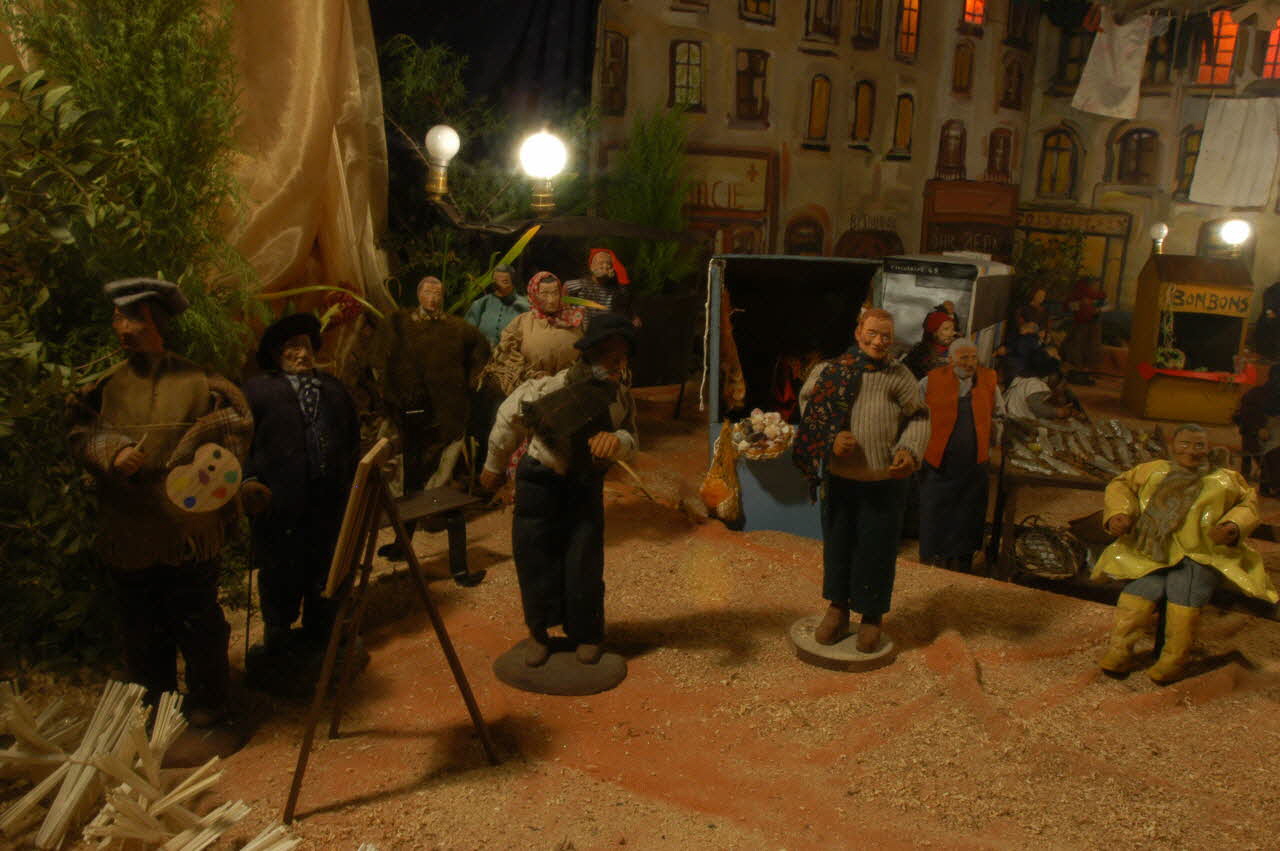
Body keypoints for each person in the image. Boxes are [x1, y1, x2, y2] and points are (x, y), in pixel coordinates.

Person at [68, 279, 253, 728]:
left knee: (199, 622)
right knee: (141, 628)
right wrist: (112, 451)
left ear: (156, 323)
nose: (122, 328)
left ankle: (210, 707)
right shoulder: (102, 387)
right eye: (117, 318)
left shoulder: (200, 382)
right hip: (130, 529)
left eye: (132, 319)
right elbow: (80, 430)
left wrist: (201, 453)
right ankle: (156, 711)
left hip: (189, 530)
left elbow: (235, 427)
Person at [480, 313, 639, 667]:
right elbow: (509, 417)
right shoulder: (552, 387)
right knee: (534, 556)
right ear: (591, 354)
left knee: (584, 559)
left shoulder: (619, 399)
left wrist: (617, 442)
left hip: (584, 484)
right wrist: (493, 464)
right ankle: (538, 632)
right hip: (540, 480)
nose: (618, 365)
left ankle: (587, 632)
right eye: (610, 357)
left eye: (623, 358)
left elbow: (631, 435)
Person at [1094, 424, 1277, 683]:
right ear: (1173, 445)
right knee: (1139, 593)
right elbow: (1120, 485)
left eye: (1198, 445)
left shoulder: (1224, 479)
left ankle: (1172, 661)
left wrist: (1233, 525)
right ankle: (1119, 652)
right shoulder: (1153, 471)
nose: (1191, 451)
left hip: (1201, 553)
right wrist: (1119, 513)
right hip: (1152, 552)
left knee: (1185, 594)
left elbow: (1247, 503)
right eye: (1184, 444)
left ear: (1208, 448)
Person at [794, 308, 930, 652]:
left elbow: (919, 417)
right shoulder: (830, 371)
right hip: (840, 480)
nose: (879, 341)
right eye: (872, 333)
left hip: (884, 482)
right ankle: (838, 609)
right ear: (858, 333)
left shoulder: (899, 376)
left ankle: (871, 615)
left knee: (877, 548)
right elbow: (809, 409)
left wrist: (909, 450)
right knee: (838, 545)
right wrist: (831, 438)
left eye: (886, 336)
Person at [241, 313, 360, 662]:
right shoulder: (257, 391)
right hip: (280, 501)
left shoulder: (334, 389)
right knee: (281, 567)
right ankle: (277, 636)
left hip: (329, 499)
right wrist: (248, 481)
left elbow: (352, 439)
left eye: (307, 345)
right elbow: (240, 443)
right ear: (276, 353)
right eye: (292, 347)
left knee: (326, 565)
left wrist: (354, 480)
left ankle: (322, 631)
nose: (302, 353)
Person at [369, 275, 490, 493]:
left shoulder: (457, 328)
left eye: (437, 294)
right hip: (405, 401)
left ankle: (434, 495)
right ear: (419, 295)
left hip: (444, 403)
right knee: (399, 450)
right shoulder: (398, 323)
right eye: (428, 293)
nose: (432, 298)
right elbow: (379, 357)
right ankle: (395, 497)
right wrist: (386, 388)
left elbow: (481, 350)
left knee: (444, 448)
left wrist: (472, 379)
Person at [918, 338, 1004, 573]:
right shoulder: (930, 381)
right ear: (950, 359)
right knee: (936, 510)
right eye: (963, 357)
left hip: (975, 463)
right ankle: (933, 559)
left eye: (973, 357)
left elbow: (999, 414)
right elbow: (915, 415)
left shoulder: (989, 380)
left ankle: (962, 560)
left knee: (969, 512)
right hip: (938, 462)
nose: (969, 363)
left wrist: (994, 436)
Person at [480, 271, 584, 397]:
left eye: (555, 293)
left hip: (569, 387)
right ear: (534, 295)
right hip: (530, 388)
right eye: (544, 294)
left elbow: (585, 354)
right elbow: (506, 355)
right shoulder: (522, 323)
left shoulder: (573, 321)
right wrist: (529, 374)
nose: (551, 300)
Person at [1234, 367, 1280, 494]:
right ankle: (1272, 486)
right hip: (1254, 435)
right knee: (1272, 454)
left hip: (1268, 434)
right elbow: (1244, 417)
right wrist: (1258, 428)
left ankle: (1270, 486)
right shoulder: (1256, 395)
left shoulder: (1270, 394)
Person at [565, 247, 636, 330]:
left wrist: (633, 317)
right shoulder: (581, 285)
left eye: (608, 264)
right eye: (601, 263)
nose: (605, 266)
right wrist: (567, 310)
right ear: (591, 266)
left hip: (606, 331)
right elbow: (566, 288)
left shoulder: (616, 289)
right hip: (585, 331)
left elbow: (626, 304)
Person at [464, 264, 530, 347]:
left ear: (513, 283)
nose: (499, 285)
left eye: (505, 282)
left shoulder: (525, 306)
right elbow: (467, 333)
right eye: (495, 281)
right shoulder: (481, 304)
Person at [1005, 360, 1077, 421]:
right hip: (1014, 417)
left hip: (1012, 413)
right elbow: (1036, 406)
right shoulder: (1038, 385)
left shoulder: (1030, 380)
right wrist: (1057, 412)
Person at [1063, 276, 1106, 374]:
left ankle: (1088, 368)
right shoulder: (1078, 294)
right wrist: (1080, 304)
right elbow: (1068, 307)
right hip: (1080, 324)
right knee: (1078, 344)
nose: (1096, 286)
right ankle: (1078, 368)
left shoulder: (1100, 295)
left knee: (1092, 345)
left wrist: (1097, 309)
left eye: (1097, 285)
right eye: (1094, 285)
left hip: (1094, 324)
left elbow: (1109, 305)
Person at [904, 309, 957, 379]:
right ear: (933, 332)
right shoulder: (918, 354)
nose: (952, 333)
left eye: (952, 329)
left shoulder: (956, 351)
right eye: (946, 329)